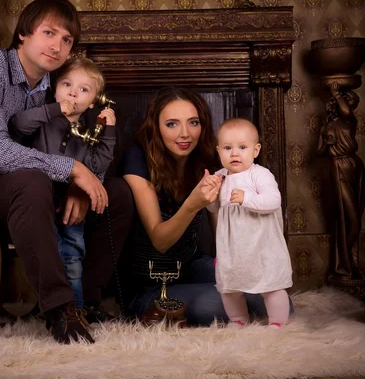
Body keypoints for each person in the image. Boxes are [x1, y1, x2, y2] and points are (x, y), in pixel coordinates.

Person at [0, 0, 133, 344]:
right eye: (49, 32)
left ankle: (86, 300)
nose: (57, 46)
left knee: (116, 192)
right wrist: (71, 170)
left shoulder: (54, 88)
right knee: (33, 181)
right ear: (24, 33)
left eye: (67, 39)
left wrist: (78, 183)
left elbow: (79, 152)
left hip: (25, 195)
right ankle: (59, 308)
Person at [121, 87, 291, 326]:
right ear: (156, 128)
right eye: (171, 124)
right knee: (214, 302)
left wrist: (232, 265)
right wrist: (193, 204)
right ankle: (174, 304)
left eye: (193, 122)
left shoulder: (211, 160)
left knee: (271, 293)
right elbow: (160, 241)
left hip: (192, 264)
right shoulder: (137, 158)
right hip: (152, 280)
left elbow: (221, 227)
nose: (185, 134)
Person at [8, 57, 116, 309]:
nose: (73, 92)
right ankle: (54, 308)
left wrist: (108, 132)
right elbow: (18, 124)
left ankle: (75, 309)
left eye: (84, 89)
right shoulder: (45, 120)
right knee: (49, 252)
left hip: (69, 202)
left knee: (72, 254)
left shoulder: (88, 134)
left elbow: (97, 165)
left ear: (93, 103)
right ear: (55, 89)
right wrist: (56, 110)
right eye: (66, 84)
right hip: (40, 198)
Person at [206, 118, 293, 328]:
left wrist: (247, 198)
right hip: (233, 248)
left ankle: (277, 323)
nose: (234, 153)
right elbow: (216, 209)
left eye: (242, 147)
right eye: (227, 148)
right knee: (229, 288)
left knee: (271, 285)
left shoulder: (260, 175)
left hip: (262, 245)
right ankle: (238, 320)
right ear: (218, 151)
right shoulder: (221, 177)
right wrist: (210, 197)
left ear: (256, 150)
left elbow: (273, 201)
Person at [317, 82, 365, 281]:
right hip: (337, 167)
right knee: (351, 220)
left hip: (355, 166)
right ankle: (343, 264)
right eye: (349, 102)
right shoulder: (327, 127)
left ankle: (351, 264)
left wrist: (337, 94)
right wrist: (327, 146)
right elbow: (318, 153)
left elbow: (347, 112)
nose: (350, 106)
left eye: (352, 103)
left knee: (355, 217)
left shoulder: (350, 122)